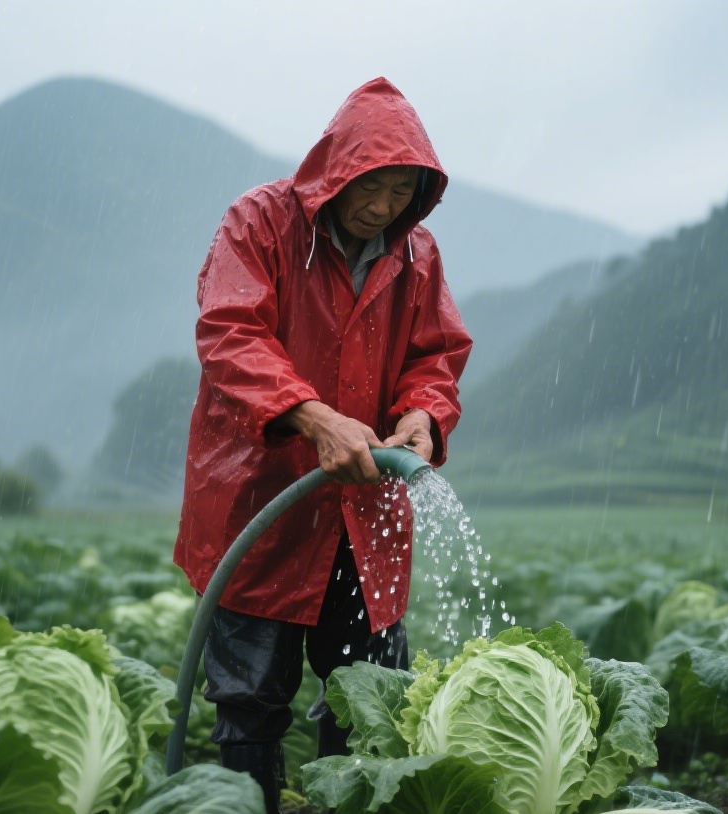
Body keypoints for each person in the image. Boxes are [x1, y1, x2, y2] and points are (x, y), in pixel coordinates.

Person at [173, 77, 472, 811]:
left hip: (367, 514)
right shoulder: (261, 224)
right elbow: (230, 333)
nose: (382, 207)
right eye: (372, 186)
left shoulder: (417, 256)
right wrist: (312, 415)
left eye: (402, 192)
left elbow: (435, 357)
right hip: (263, 501)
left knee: (369, 703)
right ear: (337, 169)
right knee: (250, 701)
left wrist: (423, 419)